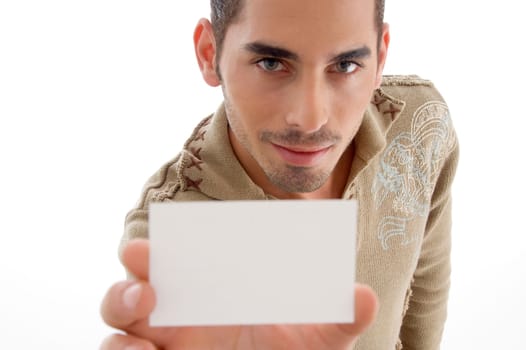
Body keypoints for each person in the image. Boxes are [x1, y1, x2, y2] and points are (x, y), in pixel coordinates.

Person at [100, 0, 459, 348]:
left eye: (346, 65)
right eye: (271, 63)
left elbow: (422, 311)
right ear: (210, 54)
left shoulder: (418, 126)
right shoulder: (174, 226)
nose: (310, 118)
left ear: (380, 57)